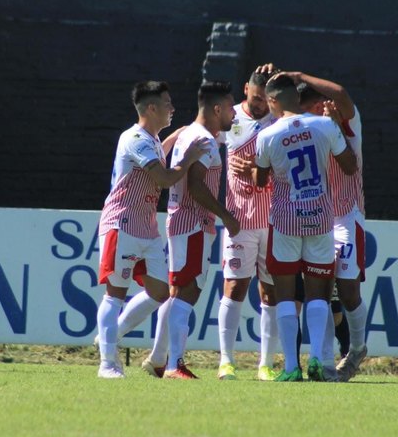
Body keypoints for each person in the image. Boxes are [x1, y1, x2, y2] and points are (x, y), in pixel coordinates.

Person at [96, 80, 210, 379]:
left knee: (159, 292)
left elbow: (159, 151)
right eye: (167, 103)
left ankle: (111, 334)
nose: (172, 108)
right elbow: (163, 178)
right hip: (121, 225)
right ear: (151, 107)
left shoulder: (152, 139)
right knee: (115, 294)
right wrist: (189, 158)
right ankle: (108, 363)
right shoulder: (135, 138)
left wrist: (176, 135)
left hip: (146, 229)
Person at [254, 73, 357, 382]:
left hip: (285, 220)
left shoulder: (267, 136)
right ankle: (315, 359)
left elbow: (260, 181)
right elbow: (350, 166)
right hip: (321, 218)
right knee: (318, 294)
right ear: (297, 99)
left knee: (285, 295)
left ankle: (290, 367)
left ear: (272, 101)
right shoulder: (325, 125)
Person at [141, 80, 241, 380]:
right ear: (216, 108)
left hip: (184, 224)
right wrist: (227, 216)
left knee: (176, 293)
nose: (234, 115)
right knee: (188, 292)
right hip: (193, 225)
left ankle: (159, 359)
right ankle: (174, 364)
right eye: (230, 108)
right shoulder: (204, 141)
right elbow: (196, 188)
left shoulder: (192, 134)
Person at [296, 73, 368, 382]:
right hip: (318, 219)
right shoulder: (302, 132)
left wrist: (297, 75)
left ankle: (358, 348)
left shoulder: (345, 123)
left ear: (319, 105)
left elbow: (342, 92)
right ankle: (324, 361)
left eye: (304, 110)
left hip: (347, 217)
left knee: (349, 290)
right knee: (320, 291)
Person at [217, 68, 280, 381]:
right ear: (245, 90)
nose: (259, 107)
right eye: (255, 99)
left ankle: (265, 365)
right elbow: (199, 132)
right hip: (238, 220)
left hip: (272, 221)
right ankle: (226, 362)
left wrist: (257, 167)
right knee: (234, 287)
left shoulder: (278, 121)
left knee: (271, 291)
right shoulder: (230, 119)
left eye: (264, 101)